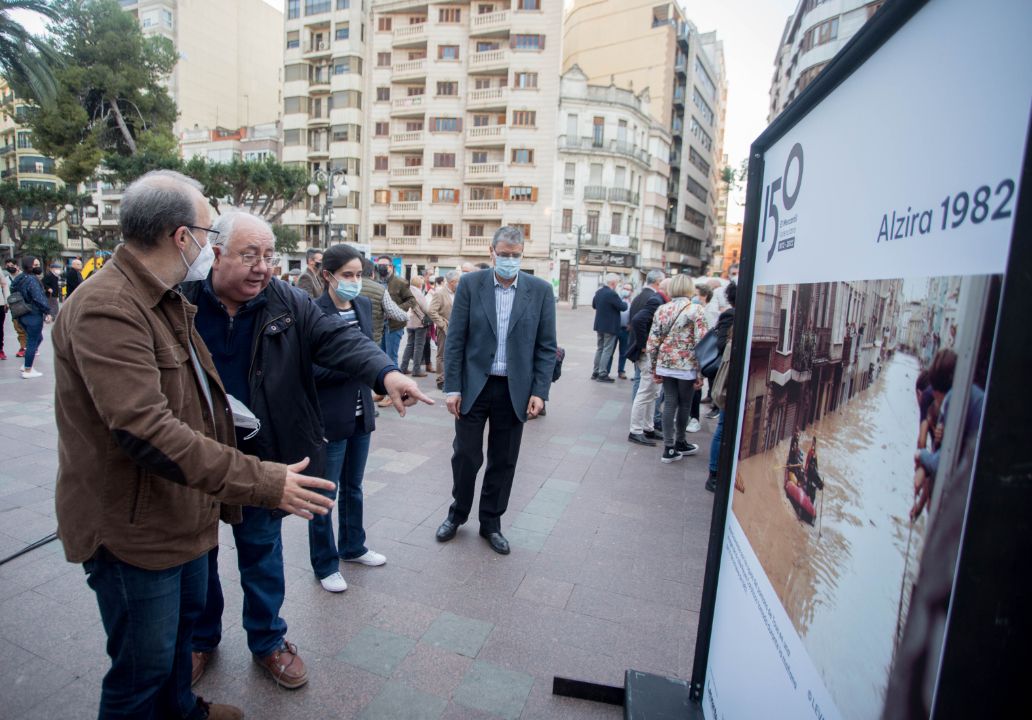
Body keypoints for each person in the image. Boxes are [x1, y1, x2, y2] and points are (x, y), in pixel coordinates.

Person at [52, 169, 338, 720]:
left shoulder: (160, 299)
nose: (212, 245)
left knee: (173, 651)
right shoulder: (108, 306)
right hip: (135, 528)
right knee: (141, 672)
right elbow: (146, 428)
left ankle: (185, 712)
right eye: (209, 232)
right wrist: (264, 480)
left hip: (179, 509)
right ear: (181, 237)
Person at [184, 212, 432, 690]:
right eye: (249, 255)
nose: (262, 268)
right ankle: (199, 639)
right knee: (198, 556)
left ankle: (268, 641)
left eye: (269, 257)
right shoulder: (185, 301)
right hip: (198, 452)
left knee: (261, 551)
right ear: (215, 254)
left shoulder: (289, 302)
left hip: (264, 457)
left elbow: (340, 340)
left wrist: (387, 373)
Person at [436, 226, 557, 555]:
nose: (508, 260)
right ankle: (457, 513)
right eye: (502, 254)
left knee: (504, 460)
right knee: (465, 455)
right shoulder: (472, 285)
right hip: (475, 386)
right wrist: (453, 388)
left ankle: (491, 522)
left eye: (514, 256)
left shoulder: (540, 290)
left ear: (523, 255)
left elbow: (546, 348)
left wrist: (540, 391)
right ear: (491, 252)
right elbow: (456, 340)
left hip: (514, 389)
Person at [309, 244, 388, 593]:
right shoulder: (313, 312)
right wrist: (354, 366)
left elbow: (371, 351)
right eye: (348, 276)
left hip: (361, 414)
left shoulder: (363, 305)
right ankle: (325, 564)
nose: (355, 282)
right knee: (324, 494)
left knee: (354, 487)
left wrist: (379, 378)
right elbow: (309, 370)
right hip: (330, 416)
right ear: (328, 276)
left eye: (359, 275)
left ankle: (353, 547)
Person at [646, 273, 707, 463]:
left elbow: (653, 341)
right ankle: (680, 441)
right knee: (685, 403)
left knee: (670, 401)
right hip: (686, 364)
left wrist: (654, 366)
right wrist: (700, 371)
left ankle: (668, 447)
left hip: (665, 362)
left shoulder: (662, 309)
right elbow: (702, 341)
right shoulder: (696, 309)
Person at [626, 278, 671, 446]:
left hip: (652, 354)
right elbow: (638, 320)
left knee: (652, 392)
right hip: (648, 354)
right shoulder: (656, 300)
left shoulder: (659, 300)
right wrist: (644, 345)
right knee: (646, 391)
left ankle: (648, 427)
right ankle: (636, 430)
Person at [706, 281, 736, 491]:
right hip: (729, 378)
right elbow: (721, 344)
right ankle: (714, 473)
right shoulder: (731, 315)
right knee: (723, 425)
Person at [11, 255, 51, 379]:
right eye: (35, 265)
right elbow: (38, 297)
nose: (38, 267)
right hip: (33, 313)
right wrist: (47, 311)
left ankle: (26, 364)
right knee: (33, 341)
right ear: (29, 265)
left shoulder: (19, 278)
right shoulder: (32, 280)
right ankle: (28, 370)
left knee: (37, 339)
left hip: (21, 313)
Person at [628, 270, 665, 399]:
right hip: (644, 345)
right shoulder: (654, 298)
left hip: (636, 342)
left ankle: (636, 409)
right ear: (658, 282)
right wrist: (644, 345)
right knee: (644, 384)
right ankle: (641, 414)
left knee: (639, 379)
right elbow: (638, 320)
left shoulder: (639, 296)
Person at [375, 255, 416, 365]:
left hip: (394, 326)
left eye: (384, 265)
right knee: (380, 357)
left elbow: (412, 300)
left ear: (391, 267)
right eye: (379, 265)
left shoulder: (400, 282)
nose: (381, 268)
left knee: (391, 358)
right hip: (378, 326)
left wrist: (395, 310)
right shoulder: (375, 281)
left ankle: (395, 381)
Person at [591, 273, 627, 383]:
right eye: (617, 282)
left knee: (600, 348)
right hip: (610, 327)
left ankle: (595, 371)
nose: (617, 285)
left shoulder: (599, 292)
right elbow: (623, 307)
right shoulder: (612, 294)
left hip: (600, 325)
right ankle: (602, 373)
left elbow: (594, 305)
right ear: (613, 283)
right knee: (607, 350)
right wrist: (624, 300)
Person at [428, 270, 458, 390]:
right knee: (442, 355)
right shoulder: (440, 294)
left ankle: (451, 378)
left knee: (454, 354)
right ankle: (441, 379)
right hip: (444, 329)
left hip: (457, 328)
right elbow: (431, 311)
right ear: (452, 282)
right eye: (458, 281)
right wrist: (442, 324)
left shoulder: (458, 292)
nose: (459, 283)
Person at [400, 275, 430, 376]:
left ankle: (403, 368)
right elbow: (425, 308)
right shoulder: (418, 293)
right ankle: (416, 370)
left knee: (409, 345)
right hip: (419, 322)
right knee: (419, 346)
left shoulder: (407, 291)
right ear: (419, 284)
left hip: (409, 322)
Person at [3, 257, 27, 358]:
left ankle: (31, 346)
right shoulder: (6, 279)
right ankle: (23, 348)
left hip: (25, 306)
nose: (10, 268)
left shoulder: (24, 277)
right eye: (8, 266)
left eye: (12, 266)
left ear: (17, 266)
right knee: (18, 328)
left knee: (27, 327)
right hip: (14, 307)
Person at [611, 282, 633, 379]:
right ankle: (606, 371)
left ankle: (621, 371)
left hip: (626, 329)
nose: (626, 291)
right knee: (610, 351)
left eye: (628, 289)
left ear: (631, 292)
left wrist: (631, 324)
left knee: (623, 352)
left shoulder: (632, 302)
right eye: (625, 288)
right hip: (615, 328)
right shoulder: (617, 299)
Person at [803, 437, 824, 503]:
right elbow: (807, 461)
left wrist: (820, 483)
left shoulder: (814, 454)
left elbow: (816, 471)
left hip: (812, 479)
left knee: (812, 494)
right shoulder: (810, 452)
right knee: (808, 490)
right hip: (810, 477)